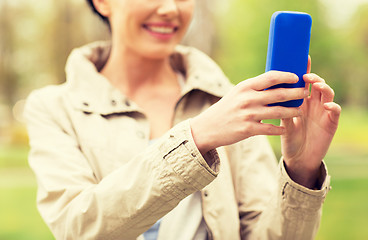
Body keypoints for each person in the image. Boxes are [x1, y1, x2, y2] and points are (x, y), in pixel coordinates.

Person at [24, 0, 341, 239]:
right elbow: (78, 227)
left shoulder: (232, 102)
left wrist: (301, 172)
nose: (170, 8)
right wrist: (196, 138)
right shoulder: (53, 108)